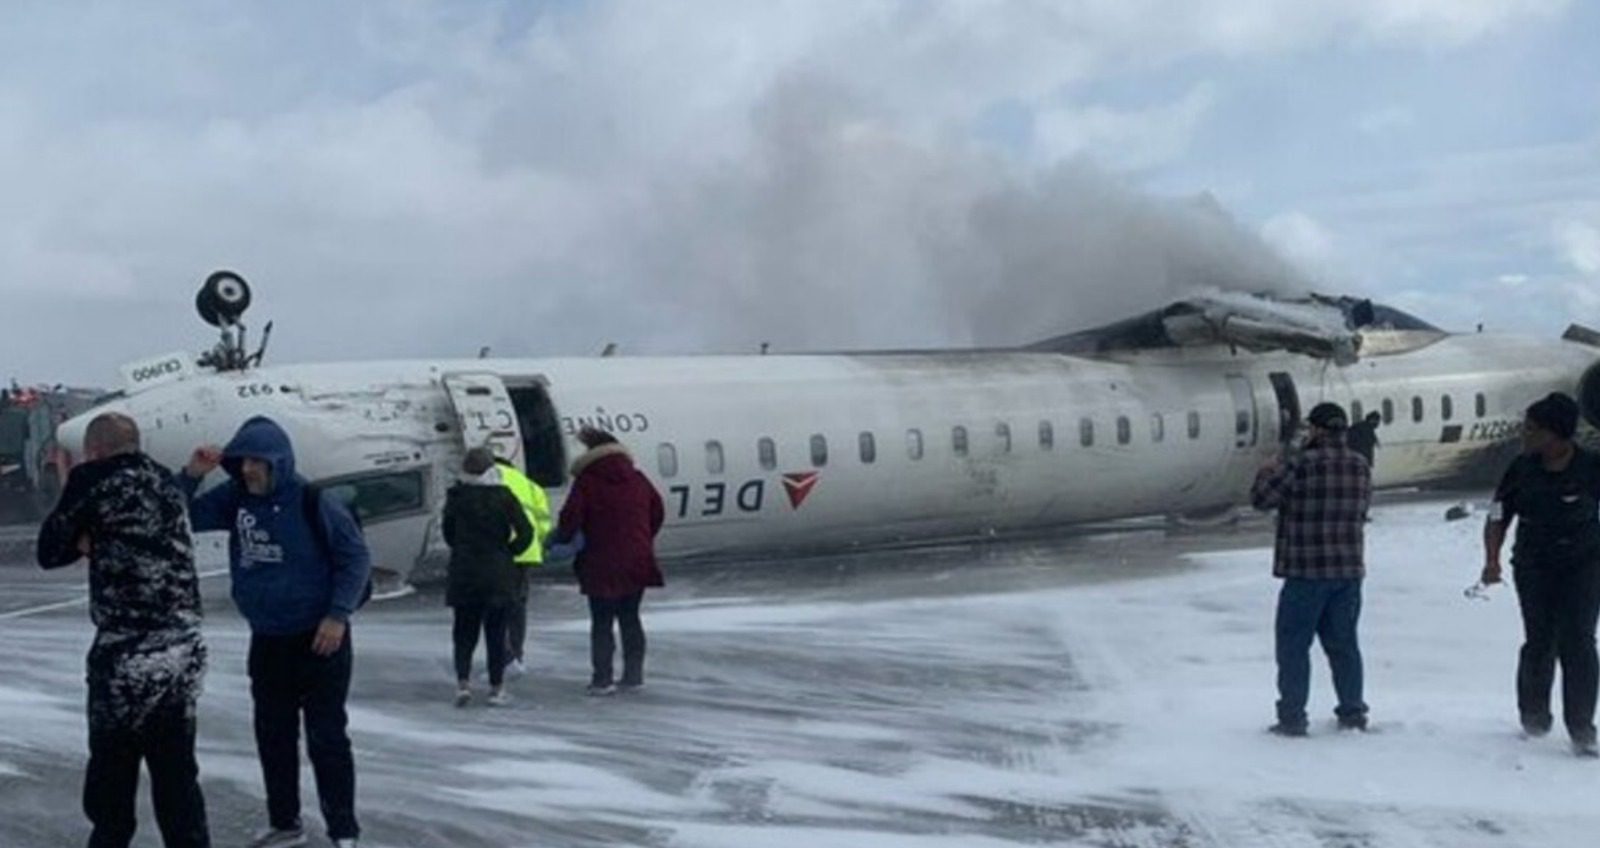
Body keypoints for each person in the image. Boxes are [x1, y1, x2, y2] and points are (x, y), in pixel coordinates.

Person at [179, 416, 370, 848]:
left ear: (278, 463)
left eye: (256, 462)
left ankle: (344, 830)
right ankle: (285, 822)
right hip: (268, 639)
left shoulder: (314, 501)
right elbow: (180, 516)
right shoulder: (236, 498)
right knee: (274, 736)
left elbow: (355, 558)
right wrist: (192, 474)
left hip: (321, 639)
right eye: (242, 461)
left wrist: (337, 615)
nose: (248, 469)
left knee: (327, 738)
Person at [36, 413, 211, 848]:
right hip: (183, 648)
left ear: (93, 449)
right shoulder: (165, 481)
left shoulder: (92, 479)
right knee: (177, 776)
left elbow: (49, 551)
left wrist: (78, 530)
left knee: (112, 780)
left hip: (126, 654)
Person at [1481, 392, 1600, 757]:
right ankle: (1533, 716)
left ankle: (1581, 727)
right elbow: (1498, 515)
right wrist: (1492, 559)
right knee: (1539, 640)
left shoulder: (1591, 466)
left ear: (1556, 435)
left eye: (1532, 429)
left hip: (1583, 563)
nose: (1525, 435)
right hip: (1534, 564)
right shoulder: (1522, 468)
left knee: (1579, 642)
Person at [1252, 402, 1373, 736]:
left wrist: (1267, 471)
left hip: (1306, 572)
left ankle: (1292, 717)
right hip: (1348, 572)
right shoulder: (1360, 465)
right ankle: (1352, 713)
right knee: (1345, 646)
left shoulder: (1300, 464)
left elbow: (1261, 499)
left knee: (1293, 648)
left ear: (1318, 430)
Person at [551, 428, 665, 696]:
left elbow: (570, 518)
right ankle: (633, 676)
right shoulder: (638, 479)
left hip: (600, 561)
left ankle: (602, 679)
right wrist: (642, 539)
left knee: (602, 621)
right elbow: (657, 510)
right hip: (636, 559)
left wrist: (561, 541)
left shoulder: (588, 482)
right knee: (630, 617)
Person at [443, 448, 534, 707]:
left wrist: (462, 550)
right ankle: (496, 688)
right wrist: (509, 552)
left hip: (464, 572)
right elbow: (525, 532)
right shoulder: (504, 497)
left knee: (463, 633)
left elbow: (448, 532)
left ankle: (463, 684)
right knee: (496, 633)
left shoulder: (456, 497)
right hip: (498, 572)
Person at [494, 455, 552, 678]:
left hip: (499, 553)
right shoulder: (530, 485)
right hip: (527, 552)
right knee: (517, 607)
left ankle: (503, 657)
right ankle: (517, 654)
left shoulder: (492, 482)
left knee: (495, 607)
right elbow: (544, 523)